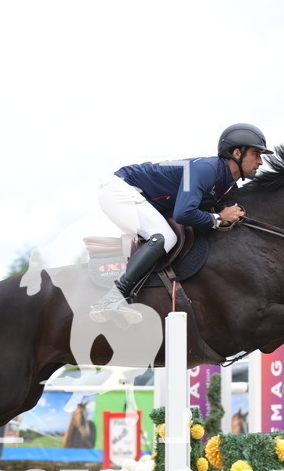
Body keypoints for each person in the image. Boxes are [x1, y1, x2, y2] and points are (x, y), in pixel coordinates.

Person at [89, 123, 273, 327]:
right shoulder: (206, 170)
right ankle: (113, 297)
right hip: (119, 190)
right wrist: (219, 218)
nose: (260, 161)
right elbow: (183, 213)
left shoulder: (226, 183)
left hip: (138, 197)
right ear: (237, 153)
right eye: (256, 154)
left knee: (168, 236)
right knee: (165, 237)